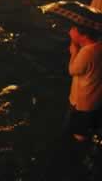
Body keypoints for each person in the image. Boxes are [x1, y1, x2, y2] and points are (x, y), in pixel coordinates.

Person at [44, 14, 102, 180]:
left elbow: (73, 70)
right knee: (88, 126)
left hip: (83, 101)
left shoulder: (87, 52)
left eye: (74, 29)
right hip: (95, 99)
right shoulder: (98, 47)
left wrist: (73, 52)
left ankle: (78, 163)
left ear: (83, 35)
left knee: (78, 134)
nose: (71, 30)